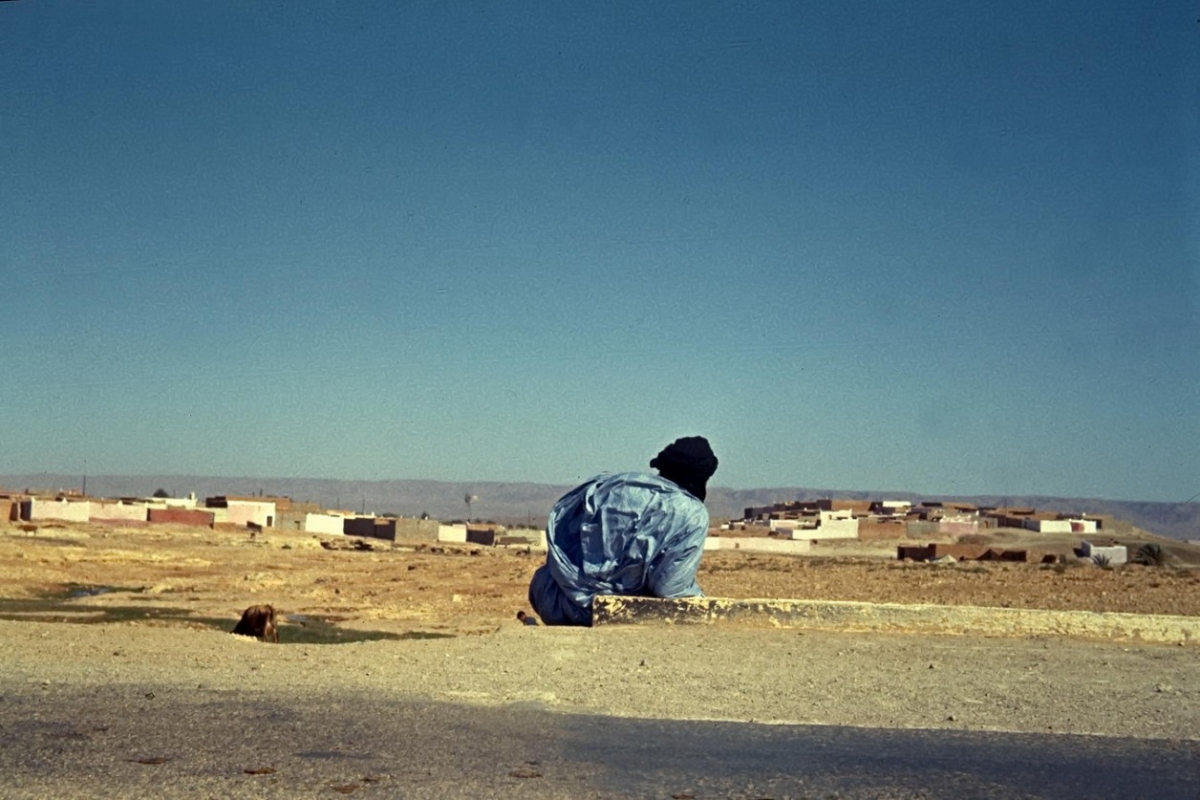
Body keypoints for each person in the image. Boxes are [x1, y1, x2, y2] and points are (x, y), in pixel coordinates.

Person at [527, 436, 719, 626]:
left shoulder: (609, 484)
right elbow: (671, 589)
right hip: (607, 613)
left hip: (550, 599)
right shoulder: (691, 512)